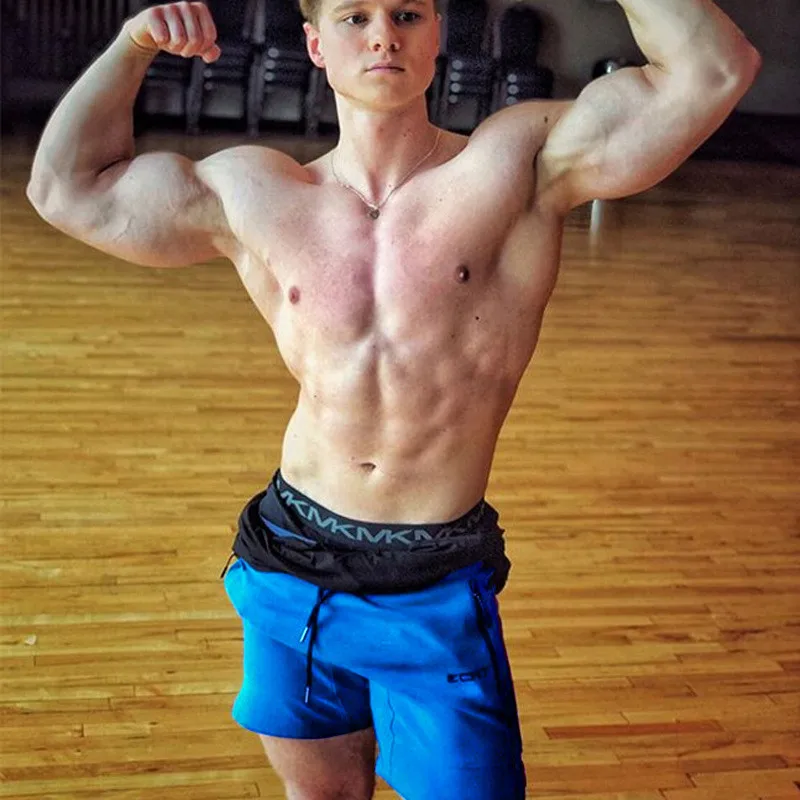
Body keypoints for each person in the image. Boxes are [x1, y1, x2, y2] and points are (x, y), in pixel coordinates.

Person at [26, 1, 760, 797]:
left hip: (432, 584)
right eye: (355, 17)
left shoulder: (518, 165)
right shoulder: (256, 190)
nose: (383, 33)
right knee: (322, 793)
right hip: (288, 563)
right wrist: (133, 45)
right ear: (315, 44)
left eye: (407, 12)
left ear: (437, 32)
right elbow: (66, 188)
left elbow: (712, 70)